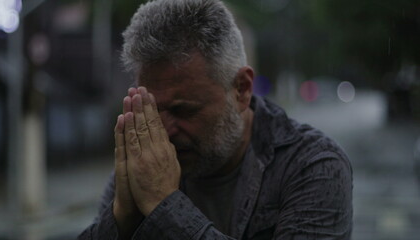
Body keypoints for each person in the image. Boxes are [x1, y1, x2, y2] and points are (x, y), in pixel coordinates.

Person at [78, 0, 353, 239]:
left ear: (242, 89)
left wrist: (164, 205)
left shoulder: (312, 165)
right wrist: (121, 220)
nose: (164, 131)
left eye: (184, 110)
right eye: (151, 111)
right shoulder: (146, 164)